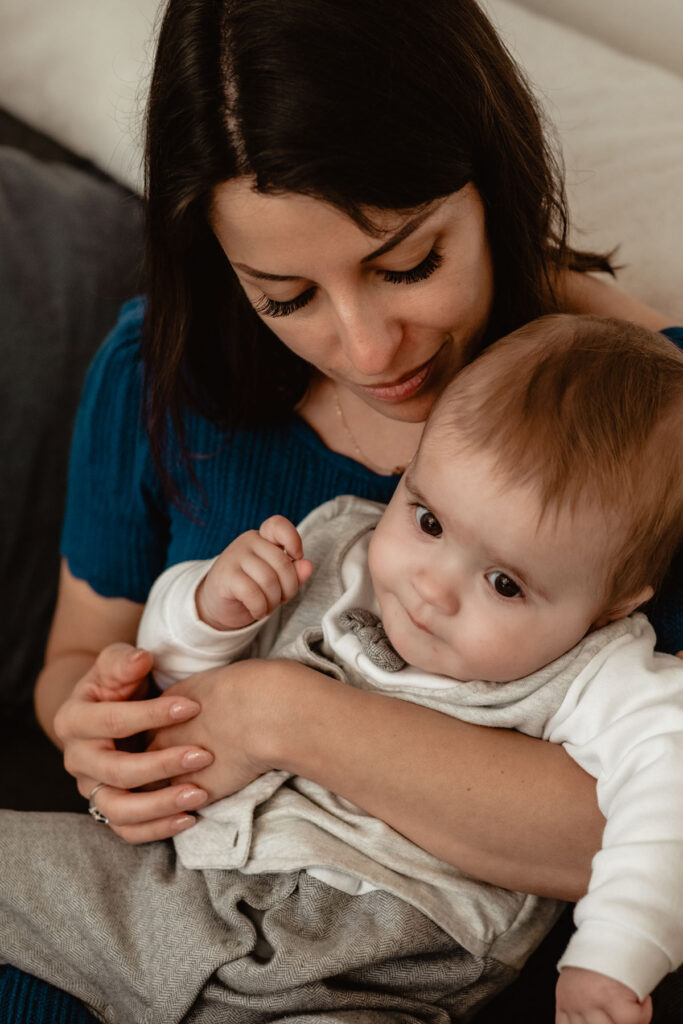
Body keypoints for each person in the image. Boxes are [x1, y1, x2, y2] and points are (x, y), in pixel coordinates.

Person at [1, 0, 681, 1020]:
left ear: (489, 182)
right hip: (158, 898)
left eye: (407, 264)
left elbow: (644, 813)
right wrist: (93, 725)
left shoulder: (648, 442)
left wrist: (284, 716)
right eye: (284, 296)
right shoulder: (160, 369)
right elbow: (76, 660)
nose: (368, 350)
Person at [131, 314, 681, 1024]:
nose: (431, 587)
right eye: (427, 521)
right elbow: (177, 691)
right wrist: (206, 610)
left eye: (504, 584)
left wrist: (612, 957)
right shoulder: (333, 546)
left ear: (608, 605)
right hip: (182, 878)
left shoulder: (605, 677)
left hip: (373, 954)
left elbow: (668, 797)